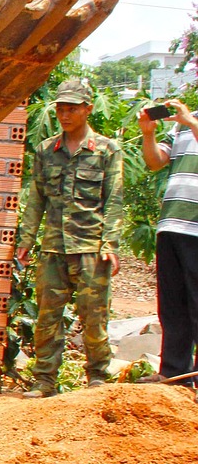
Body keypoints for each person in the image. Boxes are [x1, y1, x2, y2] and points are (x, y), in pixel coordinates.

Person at [15, 78, 124, 398]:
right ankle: (44, 381)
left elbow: (114, 198)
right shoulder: (46, 150)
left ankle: (96, 378)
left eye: (72, 109)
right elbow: (36, 198)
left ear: (87, 109)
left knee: (94, 317)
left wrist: (111, 244)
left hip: (91, 248)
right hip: (53, 248)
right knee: (48, 318)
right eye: (61, 108)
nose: (65, 114)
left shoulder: (107, 149)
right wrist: (26, 239)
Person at [138, 99, 198, 385]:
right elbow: (155, 162)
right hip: (172, 223)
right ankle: (174, 373)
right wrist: (148, 133)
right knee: (172, 304)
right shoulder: (183, 125)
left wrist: (191, 123)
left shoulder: (189, 122)